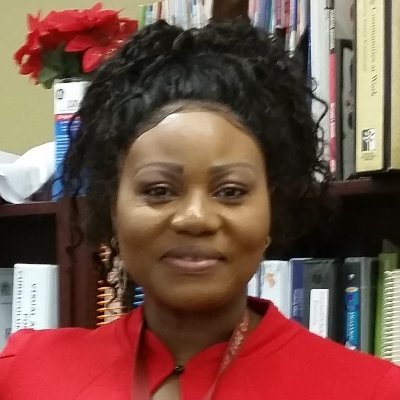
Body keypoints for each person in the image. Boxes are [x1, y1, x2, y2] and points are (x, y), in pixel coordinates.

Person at [1, 20, 400, 400]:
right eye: (159, 190)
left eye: (230, 191)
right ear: (112, 207)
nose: (195, 218)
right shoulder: (25, 374)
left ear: (273, 207)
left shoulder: (371, 390)